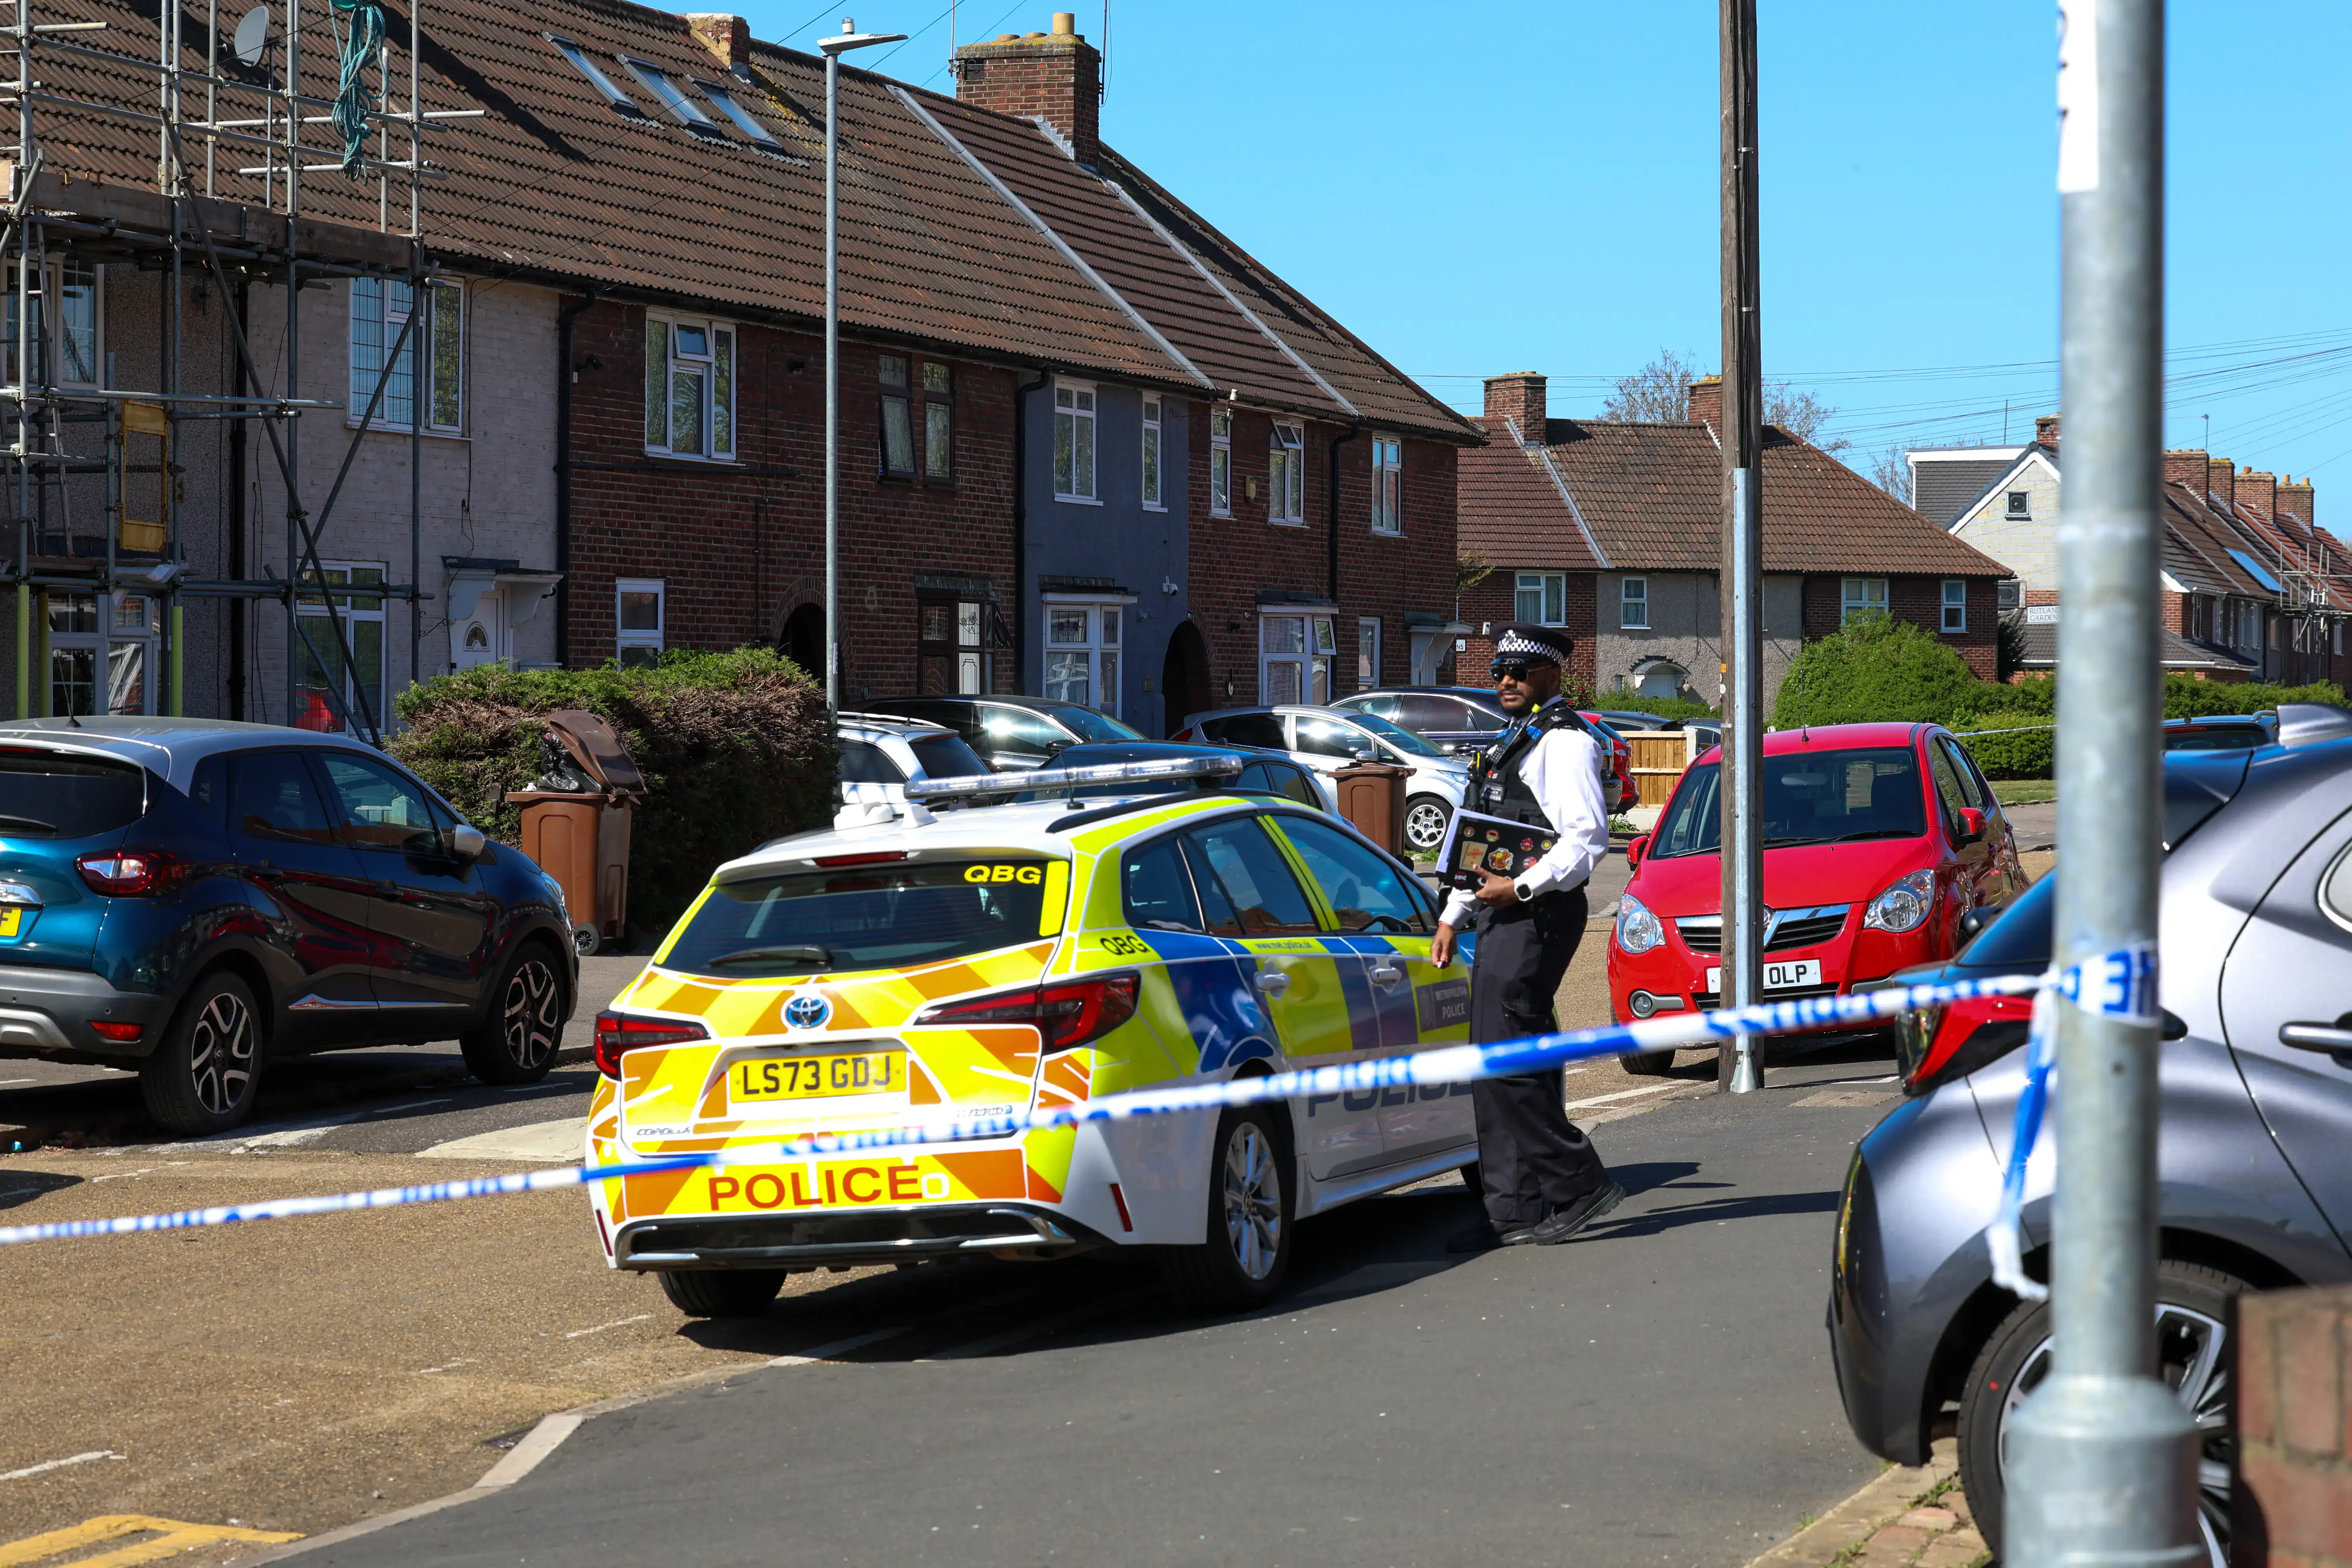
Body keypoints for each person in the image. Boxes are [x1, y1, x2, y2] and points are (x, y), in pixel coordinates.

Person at [1430, 623, 1626, 1251]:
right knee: (1507, 1059)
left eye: (1521, 670)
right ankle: (1515, 1207)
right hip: (1502, 911)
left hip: (1537, 913)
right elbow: (1485, 838)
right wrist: (1454, 912)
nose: (1507, 681)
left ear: (1552, 677)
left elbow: (1585, 841)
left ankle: (1577, 1183)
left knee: (1502, 1059)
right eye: (1499, 671)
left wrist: (1516, 892)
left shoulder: (1564, 743)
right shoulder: (1514, 741)